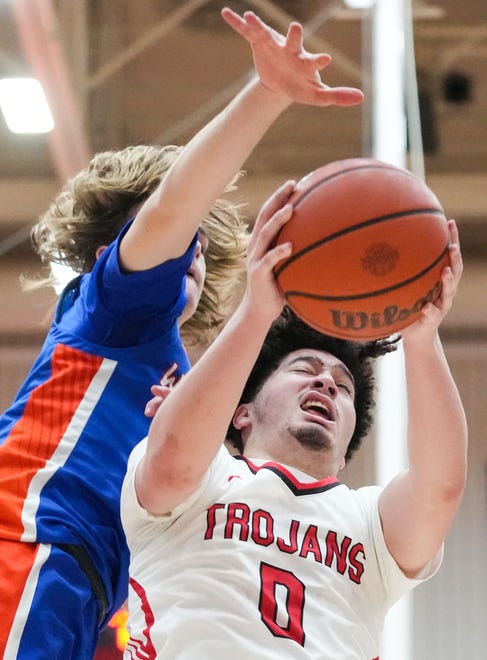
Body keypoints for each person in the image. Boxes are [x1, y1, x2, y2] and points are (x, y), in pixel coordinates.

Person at [0, 7, 365, 658]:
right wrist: (265, 94)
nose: (188, 251)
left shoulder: (183, 380)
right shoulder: (118, 311)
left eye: (198, 245)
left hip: (87, 585)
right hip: (29, 536)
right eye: (178, 241)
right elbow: (172, 206)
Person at [121, 182, 467, 659]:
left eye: (342, 387)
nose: (325, 383)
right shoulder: (209, 478)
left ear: (346, 451)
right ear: (240, 412)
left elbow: (441, 486)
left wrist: (422, 338)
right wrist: (258, 307)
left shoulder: (366, 522)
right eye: (304, 370)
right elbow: (174, 458)